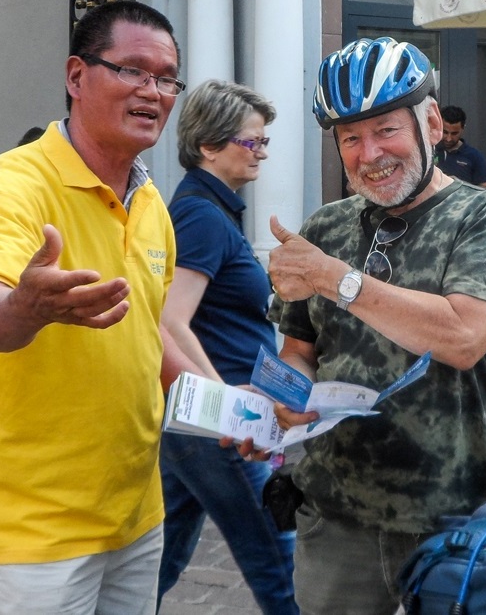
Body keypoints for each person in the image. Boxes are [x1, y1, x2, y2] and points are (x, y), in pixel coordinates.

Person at [240, 37, 486, 614]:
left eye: (386, 130)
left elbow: (464, 338)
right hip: (336, 514)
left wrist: (337, 280)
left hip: (453, 520)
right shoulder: (326, 228)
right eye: (350, 138)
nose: (369, 153)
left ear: (431, 123)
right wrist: (280, 400)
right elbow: (300, 350)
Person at [0, 1, 193, 614]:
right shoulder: (12, 186)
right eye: (132, 70)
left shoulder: (150, 202)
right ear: (77, 76)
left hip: (135, 510)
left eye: (166, 79)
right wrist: (27, 306)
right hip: (36, 525)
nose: (152, 91)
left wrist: (228, 413)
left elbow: (150, 330)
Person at [157, 79, 297, 614]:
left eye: (264, 142)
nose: (262, 152)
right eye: (252, 141)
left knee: (158, 561)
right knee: (281, 565)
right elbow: (169, 321)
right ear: (209, 146)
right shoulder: (202, 215)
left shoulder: (208, 210)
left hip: (197, 419)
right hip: (218, 424)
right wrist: (229, 408)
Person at [435, 105, 486, 187]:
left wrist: (459, 184)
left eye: (454, 133)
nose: (448, 139)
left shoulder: (474, 156)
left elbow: (485, 188)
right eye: (445, 132)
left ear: (463, 128)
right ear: (439, 126)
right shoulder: (430, 151)